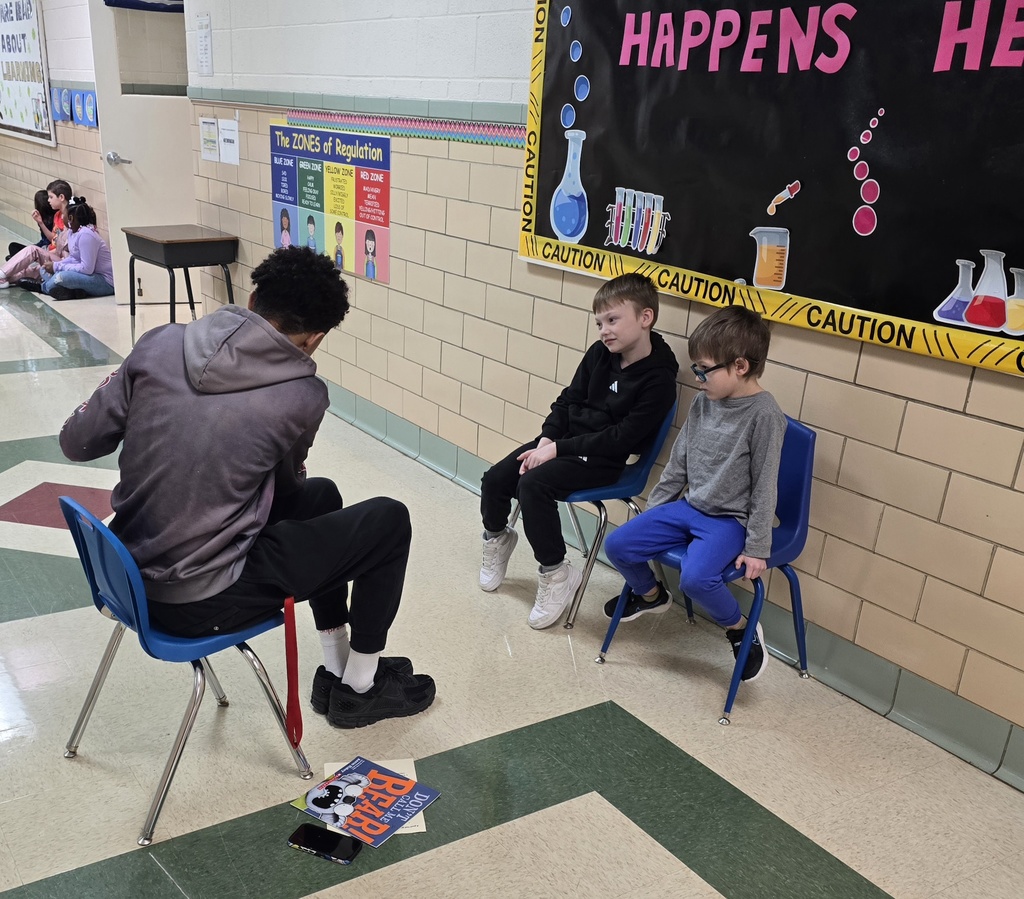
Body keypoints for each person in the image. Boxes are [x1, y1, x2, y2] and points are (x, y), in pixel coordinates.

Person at [59, 247, 435, 729]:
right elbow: (283, 482)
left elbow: (76, 442)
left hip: (127, 575)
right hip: (198, 602)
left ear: (253, 298)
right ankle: (362, 688)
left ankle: (336, 660)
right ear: (316, 338)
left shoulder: (158, 343)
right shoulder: (303, 394)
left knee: (322, 498)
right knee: (389, 520)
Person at [478, 272, 678, 629]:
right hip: (564, 443)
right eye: (599, 322)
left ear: (645, 318)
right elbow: (568, 400)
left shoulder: (659, 380)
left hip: (606, 460)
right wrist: (546, 439)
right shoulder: (601, 353)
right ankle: (497, 538)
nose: (604, 330)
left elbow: (621, 440)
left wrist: (557, 449)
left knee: (533, 486)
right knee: (496, 479)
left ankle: (557, 573)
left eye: (613, 320)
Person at [603, 305, 786, 682]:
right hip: (690, 507)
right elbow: (679, 463)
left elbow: (766, 485)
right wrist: (655, 510)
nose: (698, 378)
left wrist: (757, 546)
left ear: (739, 366)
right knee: (619, 544)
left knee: (696, 578)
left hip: (730, 521)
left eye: (704, 369)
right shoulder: (705, 401)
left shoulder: (765, 415)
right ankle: (652, 596)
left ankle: (739, 629)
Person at [0, 179, 72, 288]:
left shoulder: (70, 217)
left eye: (51, 197)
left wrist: (46, 251)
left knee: (32, 249)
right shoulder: (57, 215)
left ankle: (1, 273)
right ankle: (4, 279)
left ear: (61, 197)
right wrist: (41, 223)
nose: (48, 200)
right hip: (54, 253)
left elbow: (66, 248)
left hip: (63, 260)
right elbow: (54, 238)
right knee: (31, 270)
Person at [40, 198, 114, 300]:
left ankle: (43, 287)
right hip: (88, 275)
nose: (62, 217)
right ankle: (76, 292)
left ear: (70, 218)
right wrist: (56, 265)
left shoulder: (86, 235)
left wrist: (57, 267)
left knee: (61, 277)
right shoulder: (72, 232)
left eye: (63, 214)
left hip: (104, 281)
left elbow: (87, 269)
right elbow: (74, 259)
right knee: (43, 270)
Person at [6, 189, 54, 259]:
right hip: (43, 245)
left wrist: (41, 223)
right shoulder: (44, 217)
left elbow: (49, 240)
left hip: (46, 248)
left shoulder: (51, 219)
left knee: (13, 247)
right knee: (13, 250)